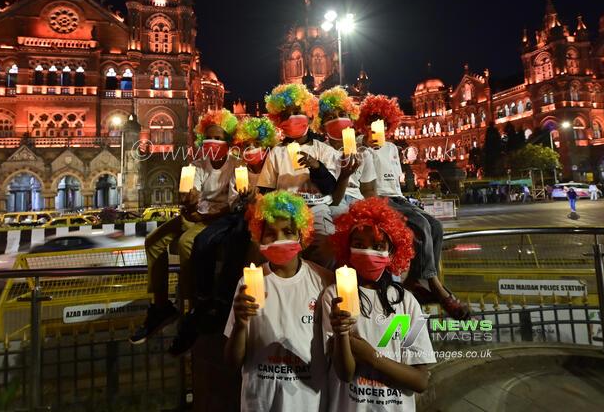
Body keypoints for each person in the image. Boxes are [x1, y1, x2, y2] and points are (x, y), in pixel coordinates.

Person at [130, 109, 240, 348]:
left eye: (220, 138)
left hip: (215, 219)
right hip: (195, 214)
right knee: (154, 241)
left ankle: (191, 310)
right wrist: (188, 200)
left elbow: (232, 205)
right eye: (209, 137)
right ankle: (161, 306)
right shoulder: (197, 163)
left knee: (185, 243)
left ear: (229, 142)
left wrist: (202, 213)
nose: (214, 142)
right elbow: (191, 192)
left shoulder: (235, 165)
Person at [171, 117, 281, 353]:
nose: (253, 149)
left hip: (252, 222)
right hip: (229, 219)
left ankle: (221, 304)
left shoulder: (273, 163)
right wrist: (190, 204)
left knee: (236, 244)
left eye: (258, 144)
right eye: (248, 144)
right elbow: (230, 203)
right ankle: (200, 302)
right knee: (198, 241)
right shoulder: (226, 167)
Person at [357, 94, 469, 319]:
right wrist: (365, 147)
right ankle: (434, 283)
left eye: (383, 121)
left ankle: (416, 280)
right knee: (420, 225)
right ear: (365, 122)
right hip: (379, 199)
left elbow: (394, 182)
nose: (378, 125)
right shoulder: (360, 144)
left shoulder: (391, 148)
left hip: (398, 198)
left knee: (435, 225)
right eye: (373, 120)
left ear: (389, 124)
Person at [224, 191, 334, 411]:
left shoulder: (324, 282)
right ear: (259, 237)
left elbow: (336, 357)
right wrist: (240, 325)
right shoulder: (248, 283)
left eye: (288, 232)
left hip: (309, 404)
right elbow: (231, 363)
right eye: (270, 234)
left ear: (302, 235)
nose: (279, 240)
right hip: (260, 403)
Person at [323, 197, 434, 411]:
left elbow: (420, 380)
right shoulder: (334, 297)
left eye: (378, 246)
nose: (367, 252)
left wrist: (371, 356)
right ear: (347, 248)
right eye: (358, 245)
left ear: (392, 252)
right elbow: (345, 373)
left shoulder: (408, 303)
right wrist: (341, 334)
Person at [258, 83, 341, 268]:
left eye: (297, 112)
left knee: (326, 247)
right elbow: (266, 190)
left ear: (310, 117)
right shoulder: (276, 152)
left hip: (316, 209)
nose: (291, 118)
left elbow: (331, 189)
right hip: (284, 211)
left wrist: (316, 167)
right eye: (286, 115)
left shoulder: (324, 151)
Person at [315, 86, 377, 217]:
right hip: (332, 202)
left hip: (357, 200)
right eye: (331, 117)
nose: (338, 120)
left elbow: (369, 190)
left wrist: (373, 212)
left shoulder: (363, 153)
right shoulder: (318, 152)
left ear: (351, 120)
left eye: (342, 115)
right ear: (322, 126)